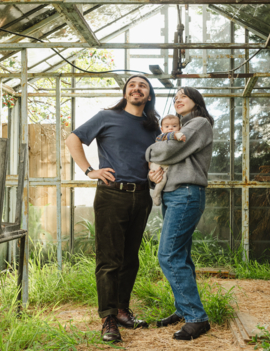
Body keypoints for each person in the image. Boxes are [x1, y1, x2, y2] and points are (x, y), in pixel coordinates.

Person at [66, 75, 160, 343]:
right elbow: (73, 139)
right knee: (110, 260)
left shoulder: (152, 125)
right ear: (125, 92)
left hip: (141, 197)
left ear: (149, 95)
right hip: (111, 195)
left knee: (130, 258)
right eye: (132, 85)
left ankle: (121, 310)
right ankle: (107, 318)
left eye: (142, 86)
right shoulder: (106, 117)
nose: (136, 88)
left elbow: (159, 158)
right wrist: (89, 170)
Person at [147, 87, 214, 341]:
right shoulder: (181, 127)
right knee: (181, 255)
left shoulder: (198, 123)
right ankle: (184, 310)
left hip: (186, 194)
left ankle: (197, 318)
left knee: (169, 255)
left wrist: (149, 152)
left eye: (183, 96)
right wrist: (154, 176)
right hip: (174, 194)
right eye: (175, 98)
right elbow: (166, 160)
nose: (177, 100)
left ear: (196, 101)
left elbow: (164, 152)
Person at [149, 114, 186, 206]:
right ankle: (156, 195)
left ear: (180, 127)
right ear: (162, 129)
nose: (170, 128)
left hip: (166, 165)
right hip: (158, 164)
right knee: (162, 179)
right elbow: (171, 135)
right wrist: (179, 135)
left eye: (174, 126)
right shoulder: (161, 137)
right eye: (167, 126)